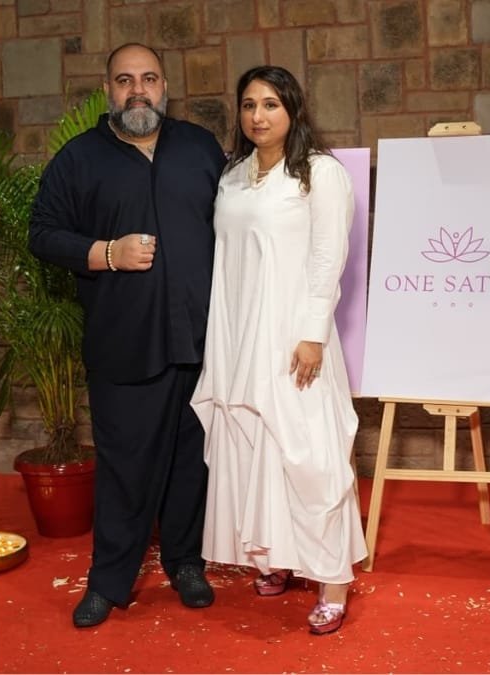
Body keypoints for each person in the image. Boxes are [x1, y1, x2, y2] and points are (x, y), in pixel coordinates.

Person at [28, 42, 229, 629]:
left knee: (193, 463)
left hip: (203, 342)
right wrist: (105, 252)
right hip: (124, 344)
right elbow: (43, 233)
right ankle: (109, 582)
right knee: (125, 470)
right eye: (124, 80)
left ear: (165, 86)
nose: (137, 90)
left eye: (148, 78)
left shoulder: (200, 148)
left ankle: (186, 564)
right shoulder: (79, 159)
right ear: (108, 90)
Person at [190, 65, 367, 636]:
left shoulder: (321, 173)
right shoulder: (234, 176)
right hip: (240, 337)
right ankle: (277, 559)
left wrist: (313, 333)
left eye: (270, 104)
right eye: (248, 105)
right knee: (254, 449)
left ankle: (333, 581)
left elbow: (328, 257)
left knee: (310, 457)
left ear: (292, 109)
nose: (258, 116)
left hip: (295, 340)